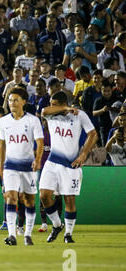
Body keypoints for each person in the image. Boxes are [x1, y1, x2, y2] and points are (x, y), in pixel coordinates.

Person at [40, 91, 98, 243]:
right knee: (44, 195)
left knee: (69, 199)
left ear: (62, 103)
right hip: (52, 161)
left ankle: (68, 234)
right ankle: (57, 225)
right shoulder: (50, 115)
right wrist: (64, 109)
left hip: (70, 164)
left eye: (54, 104)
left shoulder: (80, 115)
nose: (51, 107)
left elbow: (93, 134)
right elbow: (44, 111)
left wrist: (84, 154)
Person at [0, 87, 44, 246]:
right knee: (11, 197)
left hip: (28, 167)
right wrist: (0, 162)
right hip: (10, 165)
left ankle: (28, 234)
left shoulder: (33, 120)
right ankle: (12, 235)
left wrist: (37, 159)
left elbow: (40, 143)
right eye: (10, 100)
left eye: (15, 100)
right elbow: (1, 144)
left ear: (24, 101)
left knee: (29, 201)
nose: (12, 103)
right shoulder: (3, 121)